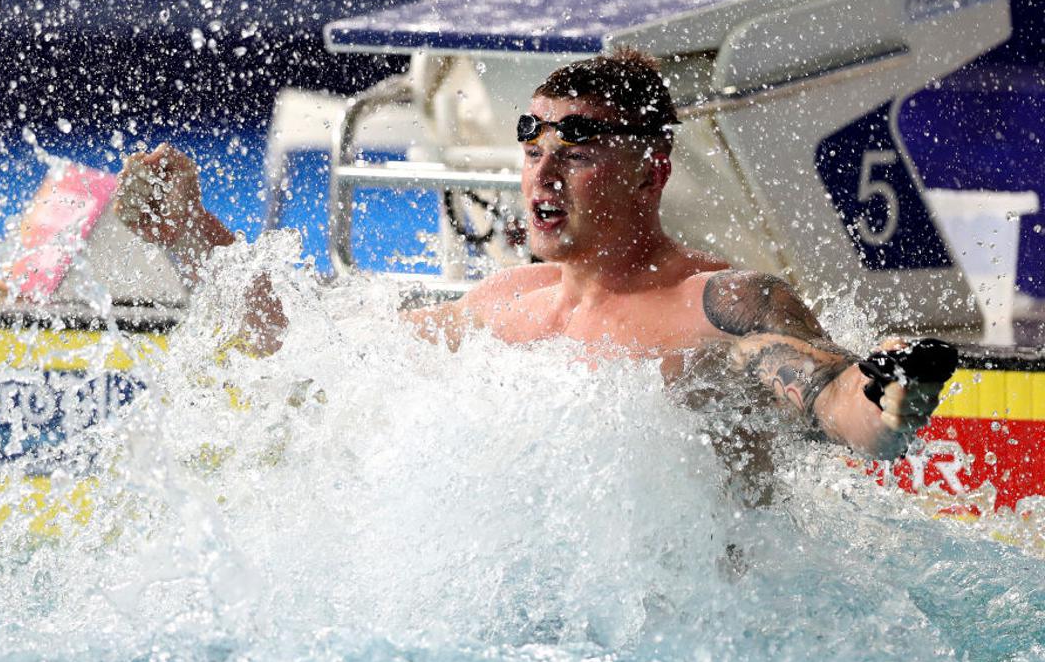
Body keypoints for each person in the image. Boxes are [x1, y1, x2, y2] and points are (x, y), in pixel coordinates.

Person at [112, 47, 950, 461]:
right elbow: (317, 342)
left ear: (652, 168)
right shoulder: (504, 305)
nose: (543, 169)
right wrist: (194, 233)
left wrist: (886, 398)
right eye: (532, 141)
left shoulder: (721, 303)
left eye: (580, 146)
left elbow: (828, 391)